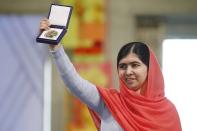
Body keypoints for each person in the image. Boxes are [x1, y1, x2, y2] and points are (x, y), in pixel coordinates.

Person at [40, 19, 182, 131]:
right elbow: (74, 83)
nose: (128, 72)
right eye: (122, 66)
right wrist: (55, 47)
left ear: (150, 69)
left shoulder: (168, 112)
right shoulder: (110, 103)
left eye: (135, 65)